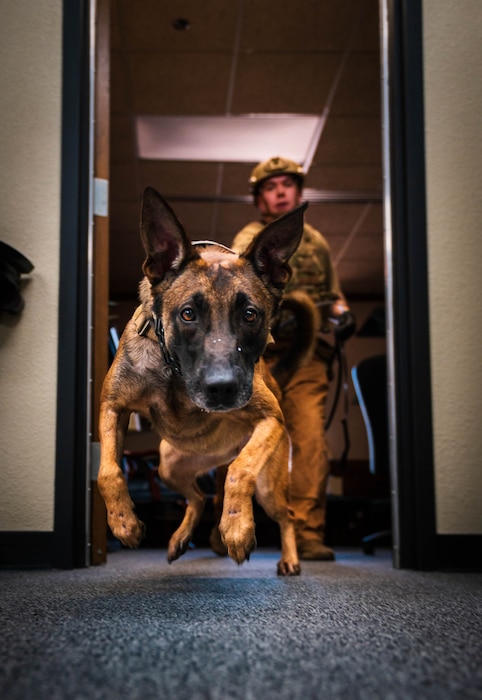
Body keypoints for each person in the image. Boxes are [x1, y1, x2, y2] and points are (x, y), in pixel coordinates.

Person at [231, 156, 356, 560]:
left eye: (287, 184)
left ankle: (307, 533)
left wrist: (342, 314)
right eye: (271, 186)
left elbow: (334, 295)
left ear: (299, 192)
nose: (281, 191)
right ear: (259, 198)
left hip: (308, 357)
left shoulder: (315, 241)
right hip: (259, 358)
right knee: (233, 436)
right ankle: (226, 524)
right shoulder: (245, 239)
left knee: (309, 439)